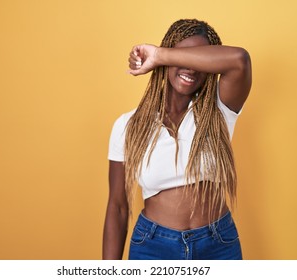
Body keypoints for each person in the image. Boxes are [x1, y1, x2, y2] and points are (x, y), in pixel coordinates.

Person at [103, 19, 252, 260]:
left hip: (217, 245)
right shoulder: (128, 125)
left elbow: (239, 60)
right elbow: (118, 207)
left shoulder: (219, 110)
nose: (190, 68)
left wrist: (161, 55)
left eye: (197, 59)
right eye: (182, 56)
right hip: (153, 246)